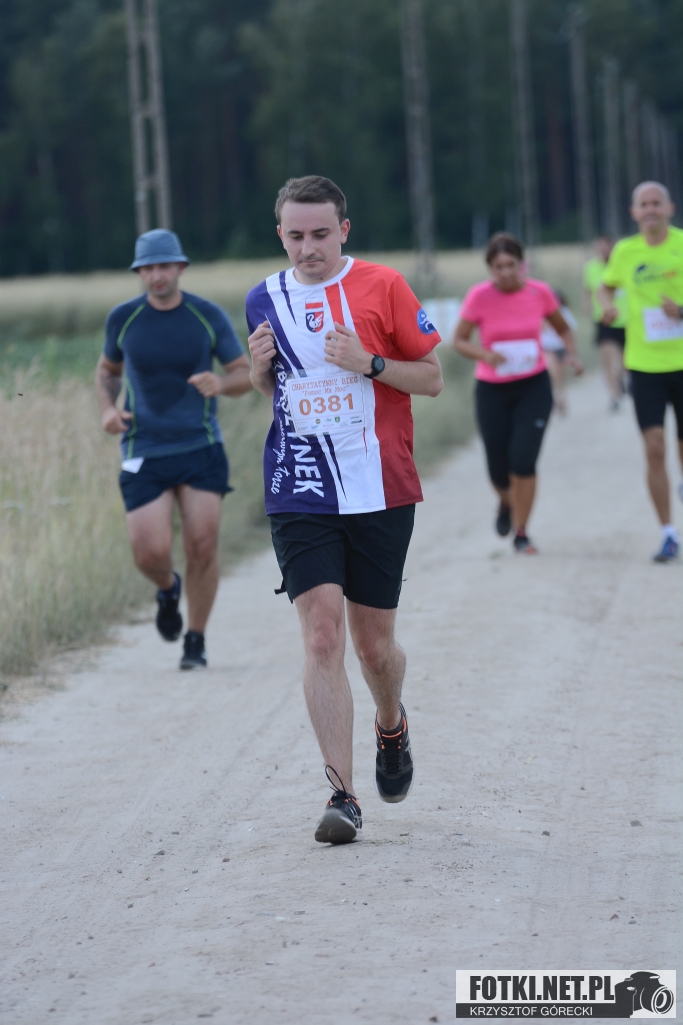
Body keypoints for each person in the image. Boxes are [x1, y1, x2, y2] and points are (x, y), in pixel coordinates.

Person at [246, 175, 443, 844]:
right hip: (299, 485)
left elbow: (433, 378)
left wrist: (370, 362)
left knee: (373, 645)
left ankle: (391, 723)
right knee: (322, 635)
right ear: (280, 234)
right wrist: (257, 373)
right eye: (296, 235)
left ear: (344, 231)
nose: (309, 248)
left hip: (379, 486)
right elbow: (276, 391)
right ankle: (342, 795)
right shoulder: (262, 298)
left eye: (321, 234)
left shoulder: (383, 286)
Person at [95, 229, 252, 668]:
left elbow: (244, 373)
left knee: (202, 546)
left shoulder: (206, 315)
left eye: (164, 266)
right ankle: (168, 589)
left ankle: (195, 640)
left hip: (200, 445)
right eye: (148, 268)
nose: (157, 275)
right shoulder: (123, 318)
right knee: (149, 552)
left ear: (180, 267)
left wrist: (220, 382)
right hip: (143, 446)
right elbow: (107, 370)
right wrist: (107, 409)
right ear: (139, 273)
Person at [453, 232, 583, 553]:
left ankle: (522, 532)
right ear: (490, 269)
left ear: (522, 265)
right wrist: (484, 354)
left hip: (533, 387)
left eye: (511, 265)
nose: (506, 272)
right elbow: (459, 340)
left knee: (523, 461)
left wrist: (572, 355)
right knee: (498, 468)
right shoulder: (479, 296)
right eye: (499, 267)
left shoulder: (540, 292)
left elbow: (563, 328)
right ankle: (505, 501)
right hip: (492, 390)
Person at [598, 181, 683, 563]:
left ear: (670, 208)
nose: (650, 209)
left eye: (656, 203)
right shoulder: (625, 251)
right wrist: (608, 305)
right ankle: (668, 534)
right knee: (654, 447)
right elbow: (606, 287)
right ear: (634, 213)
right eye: (643, 204)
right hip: (644, 365)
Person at [583, 236, 628, 410]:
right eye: (600, 247)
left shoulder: (623, 264)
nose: (603, 250)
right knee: (608, 358)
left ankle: (621, 380)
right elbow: (588, 288)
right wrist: (587, 304)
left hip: (627, 320)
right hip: (604, 319)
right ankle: (614, 396)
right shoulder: (591, 267)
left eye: (606, 247)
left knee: (624, 362)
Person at [541, 288, 578, 416]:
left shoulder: (564, 312)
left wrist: (572, 354)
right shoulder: (541, 315)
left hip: (561, 348)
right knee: (553, 374)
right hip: (548, 349)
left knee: (560, 377)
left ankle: (562, 399)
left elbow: (569, 333)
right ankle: (556, 399)